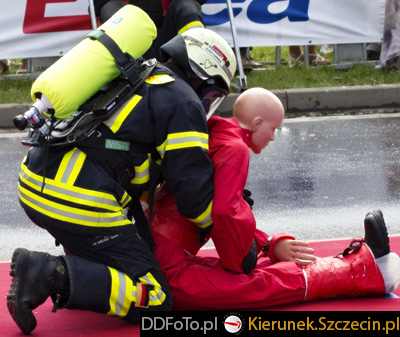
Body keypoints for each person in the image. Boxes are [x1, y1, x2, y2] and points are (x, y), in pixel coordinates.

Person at [7, 27, 237, 335]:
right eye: (212, 94)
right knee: (155, 296)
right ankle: (52, 274)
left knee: (118, 267)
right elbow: (192, 192)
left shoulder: (134, 74)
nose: (207, 102)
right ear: (202, 72)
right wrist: (226, 225)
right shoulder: (182, 100)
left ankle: (69, 275)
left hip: (36, 184)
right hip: (78, 201)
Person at [149, 88, 400, 310]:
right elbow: (225, 212)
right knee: (258, 284)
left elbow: (213, 208)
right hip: (170, 273)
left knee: (259, 273)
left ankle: (363, 264)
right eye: (274, 129)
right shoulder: (234, 148)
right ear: (257, 124)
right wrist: (245, 258)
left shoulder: (216, 136)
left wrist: (267, 244)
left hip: (163, 259)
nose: (273, 137)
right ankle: (368, 271)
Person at [94, 0, 206, 61]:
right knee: (111, 7)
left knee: (186, 4)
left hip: (169, 41)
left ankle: (200, 60)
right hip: (131, 42)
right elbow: (97, 7)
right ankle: (120, 73)